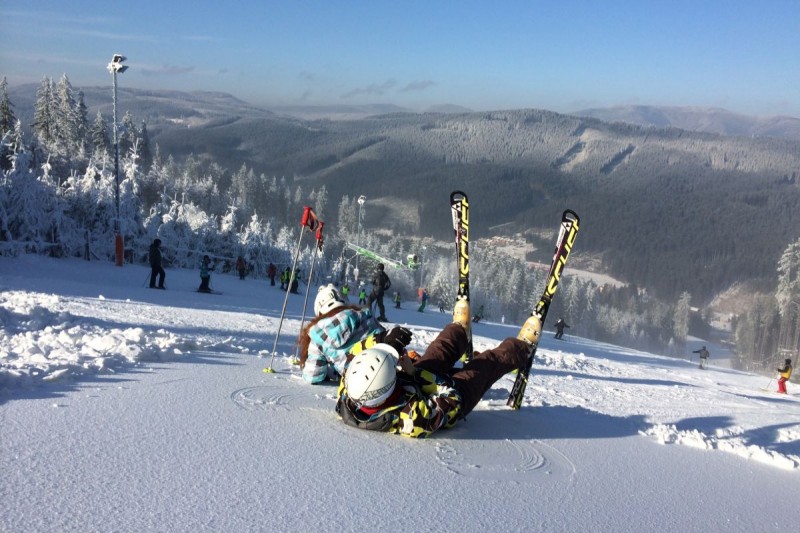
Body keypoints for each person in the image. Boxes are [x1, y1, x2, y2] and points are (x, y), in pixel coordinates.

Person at [334, 308, 539, 438]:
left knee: (438, 351)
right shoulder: (412, 419)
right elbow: (451, 396)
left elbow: (352, 357)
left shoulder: (350, 392)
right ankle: (522, 347)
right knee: (484, 367)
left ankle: (459, 330)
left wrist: (382, 341)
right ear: (390, 387)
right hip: (449, 401)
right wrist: (414, 373)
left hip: (413, 384)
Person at [297, 284, 385, 384]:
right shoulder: (366, 316)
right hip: (386, 369)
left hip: (359, 382)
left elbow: (313, 376)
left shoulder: (318, 335)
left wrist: (331, 371)